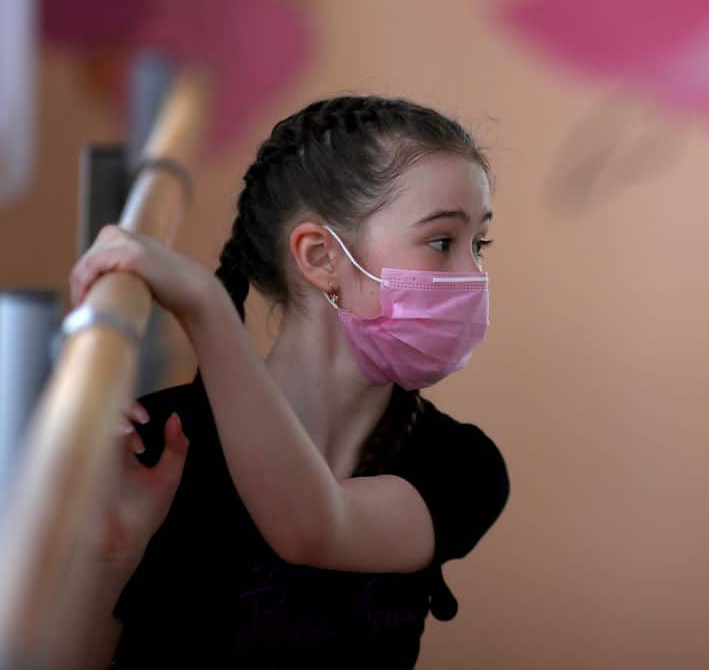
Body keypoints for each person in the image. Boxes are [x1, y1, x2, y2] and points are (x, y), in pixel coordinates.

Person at [65, 96, 509, 668]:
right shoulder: (153, 451)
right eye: (443, 242)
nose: (473, 276)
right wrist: (106, 555)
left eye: (479, 245)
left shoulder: (460, 465)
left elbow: (312, 526)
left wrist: (204, 306)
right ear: (321, 256)